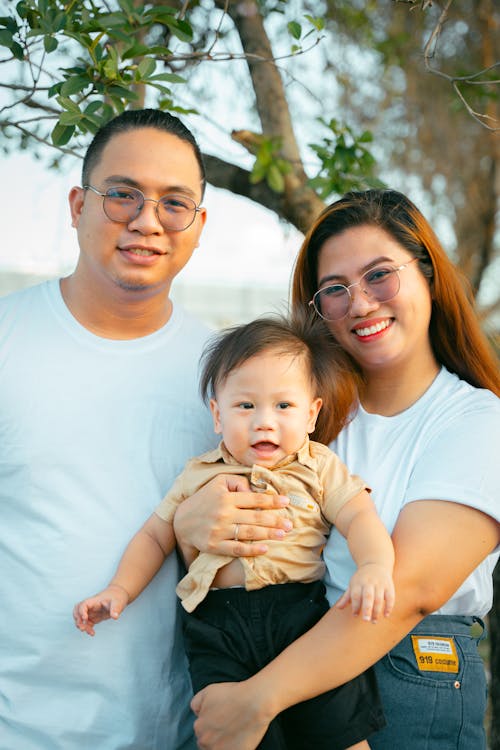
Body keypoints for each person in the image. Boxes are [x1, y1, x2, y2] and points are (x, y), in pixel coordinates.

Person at [0, 108, 292, 750]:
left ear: (199, 225)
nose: (146, 220)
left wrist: (192, 535)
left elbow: (263, 553)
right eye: (122, 194)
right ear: (77, 204)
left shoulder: (232, 383)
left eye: (174, 203)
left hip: (177, 732)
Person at [173, 189, 500, 750]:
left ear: (426, 273)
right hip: (282, 649)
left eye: (380, 275)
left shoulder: (476, 421)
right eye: (335, 289)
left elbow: (412, 588)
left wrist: (259, 699)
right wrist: (187, 528)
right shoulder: (297, 419)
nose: (361, 303)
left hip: (405, 668)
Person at [73, 313, 394, 750]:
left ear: (312, 413)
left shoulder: (318, 466)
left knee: (337, 733)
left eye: (284, 406)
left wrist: (374, 566)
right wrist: (119, 589)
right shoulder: (198, 475)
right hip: (217, 625)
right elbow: (154, 536)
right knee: (229, 733)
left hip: (300, 618)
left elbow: (360, 516)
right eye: (246, 405)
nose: (264, 421)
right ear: (217, 414)